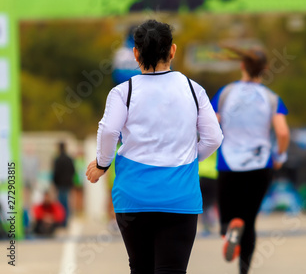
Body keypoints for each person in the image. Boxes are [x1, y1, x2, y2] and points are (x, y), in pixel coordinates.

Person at [86, 19, 223, 274]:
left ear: (136, 53)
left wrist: (102, 164)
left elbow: (108, 131)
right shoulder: (194, 90)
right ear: (172, 51)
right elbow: (214, 137)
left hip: (134, 198)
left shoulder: (122, 92)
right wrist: (190, 158)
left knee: (140, 268)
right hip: (180, 198)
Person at [211, 45, 290, 274]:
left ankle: (229, 227)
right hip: (260, 164)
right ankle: (243, 270)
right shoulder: (271, 98)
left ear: (242, 66)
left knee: (229, 215)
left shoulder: (225, 94)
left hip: (228, 164)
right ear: (265, 69)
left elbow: (212, 125)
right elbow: (283, 133)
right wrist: (280, 156)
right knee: (250, 220)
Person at [52, 141, 75, 227]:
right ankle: (65, 221)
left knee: (60, 203)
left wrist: (55, 183)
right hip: (67, 184)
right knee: (66, 203)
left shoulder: (57, 159)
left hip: (60, 184)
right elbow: (73, 171)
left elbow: (55, 173)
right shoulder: (69, 159)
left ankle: (61, 221)